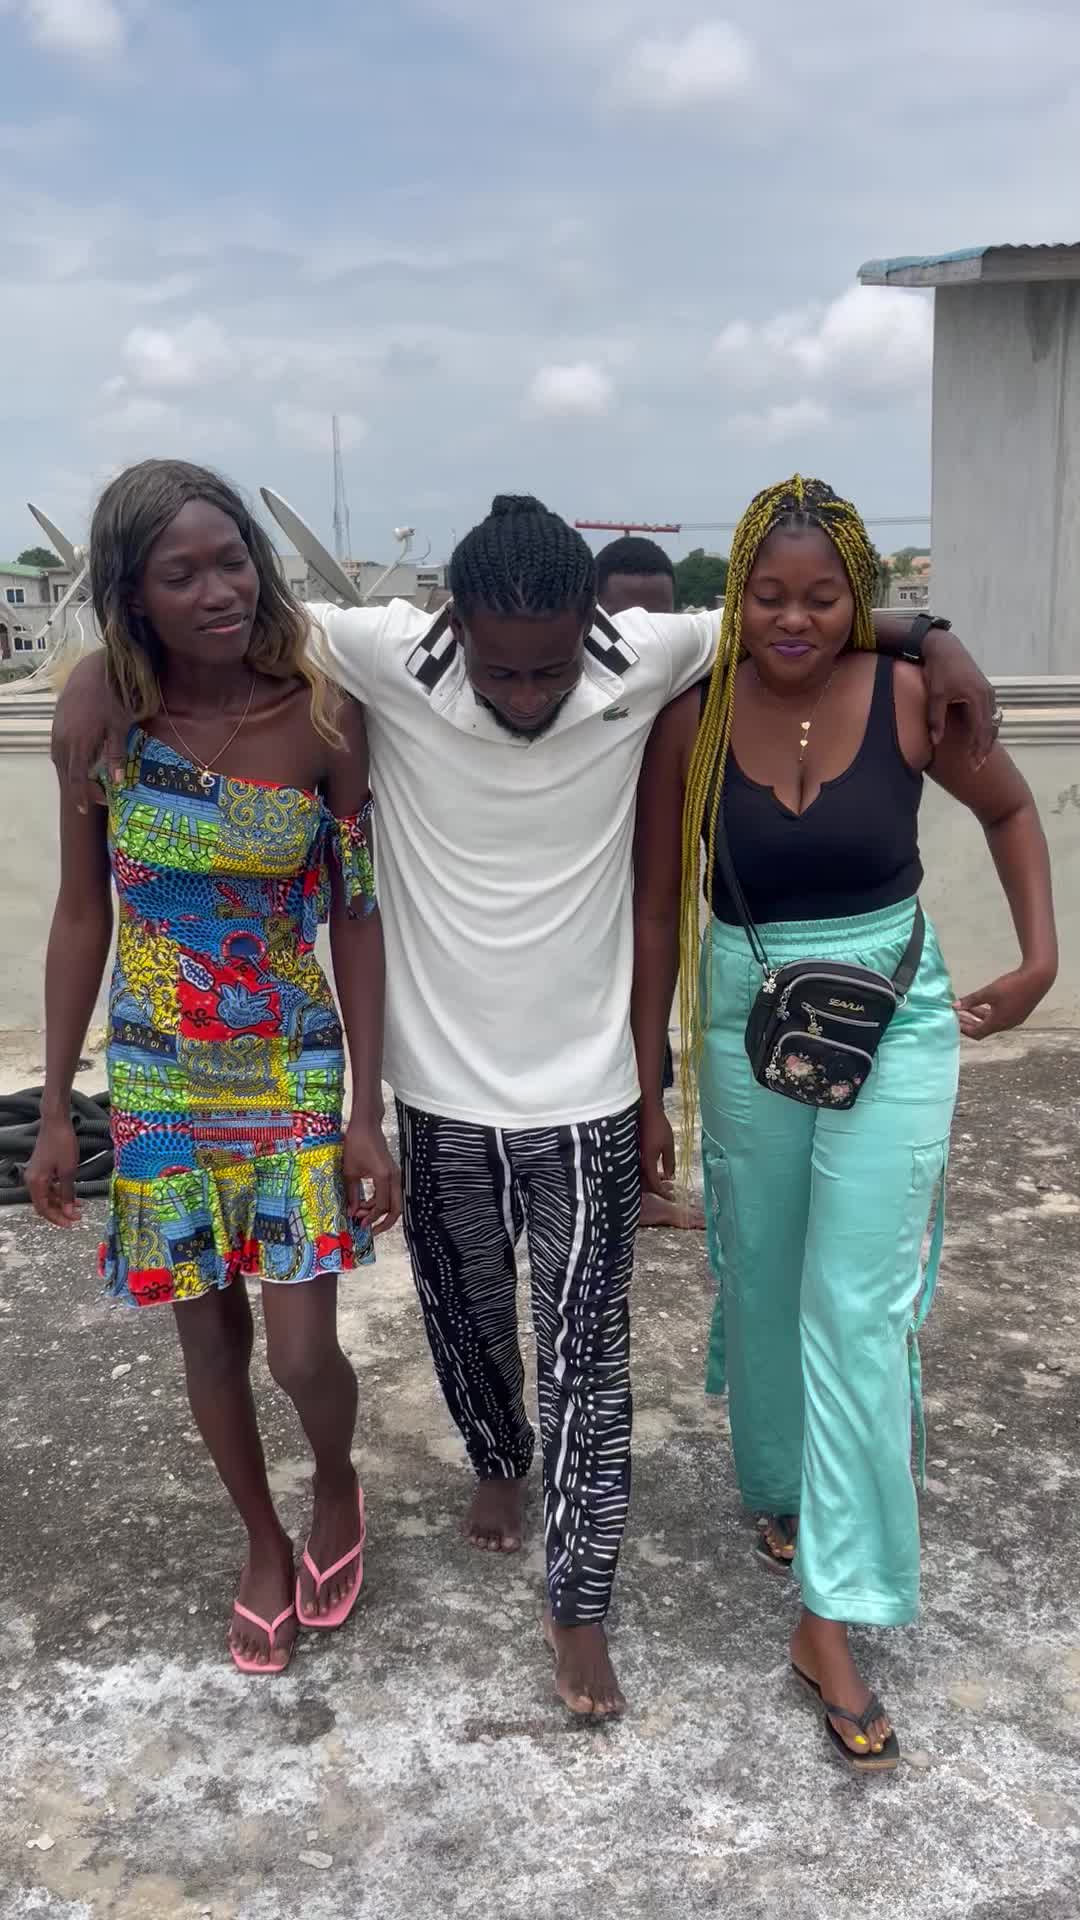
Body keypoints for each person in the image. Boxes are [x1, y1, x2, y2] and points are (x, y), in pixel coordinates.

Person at [53, 490, 998, 1719]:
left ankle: (580, 1602)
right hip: (438, 1090)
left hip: (587, 1093)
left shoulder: (641, 655)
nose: (527, 698)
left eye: (551, 669)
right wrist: (90, 673)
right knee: (462, 1320)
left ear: (593, 624)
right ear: (450, 627)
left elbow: (790, 615)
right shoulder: (383, 653)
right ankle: (496, 1458)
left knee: (587, 1357)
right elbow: (217, 626)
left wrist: (932, 636)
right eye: (501, 673)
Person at [632, 476, 1056, 1768]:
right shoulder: (694, 719)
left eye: (823, 597)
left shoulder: (918, 694)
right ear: (736, 598)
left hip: (896, 1017)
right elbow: (654, 909)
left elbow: (1011, 808)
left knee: (858, 1306)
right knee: (762, 1273)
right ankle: (779, 1484)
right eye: (769, 595)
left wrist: (1039, 961)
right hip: (743, 1020)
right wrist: (646, 1079)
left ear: (858, 600)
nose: (795, 619)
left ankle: (832, 1610)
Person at [27, 459, 400, 1678]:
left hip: (288, 1067)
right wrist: (56, 1108)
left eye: (232, 560)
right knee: (209, 1343)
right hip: (157, 1080)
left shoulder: (323, 716)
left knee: (300, 1352)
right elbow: (80, 914)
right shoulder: (103, 725)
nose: (218, 591)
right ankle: (260, 1542)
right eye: (179, 575)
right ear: (131, 596)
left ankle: (335, 1483)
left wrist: (365, 1111)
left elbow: (357, 915)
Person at [595, 537, 703, 1232]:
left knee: (649, 1019)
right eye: (624, 618)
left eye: (658, 617)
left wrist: (931, 639)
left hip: (654, 885)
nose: (643, 633)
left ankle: (641, 1183)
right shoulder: (569, 689)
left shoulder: (688, 686)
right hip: (587, 894)